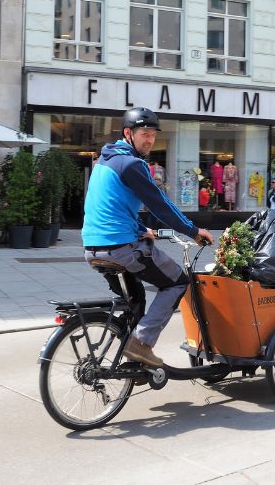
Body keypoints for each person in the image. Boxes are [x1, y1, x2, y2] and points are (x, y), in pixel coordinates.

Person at [81, 107, 214, 367]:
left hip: (94, 247)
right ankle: (141, 344)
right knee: (177, 282)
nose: (150, 140)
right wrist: (193, 230)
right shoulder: (131, 164)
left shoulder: (105, 160)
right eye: (144, 134)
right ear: (128, 133)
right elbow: (159, 204)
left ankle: (129, 359)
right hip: (120, 247)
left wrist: (141, 229)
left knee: (136, 302)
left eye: (153, 135)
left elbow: (110, 206)